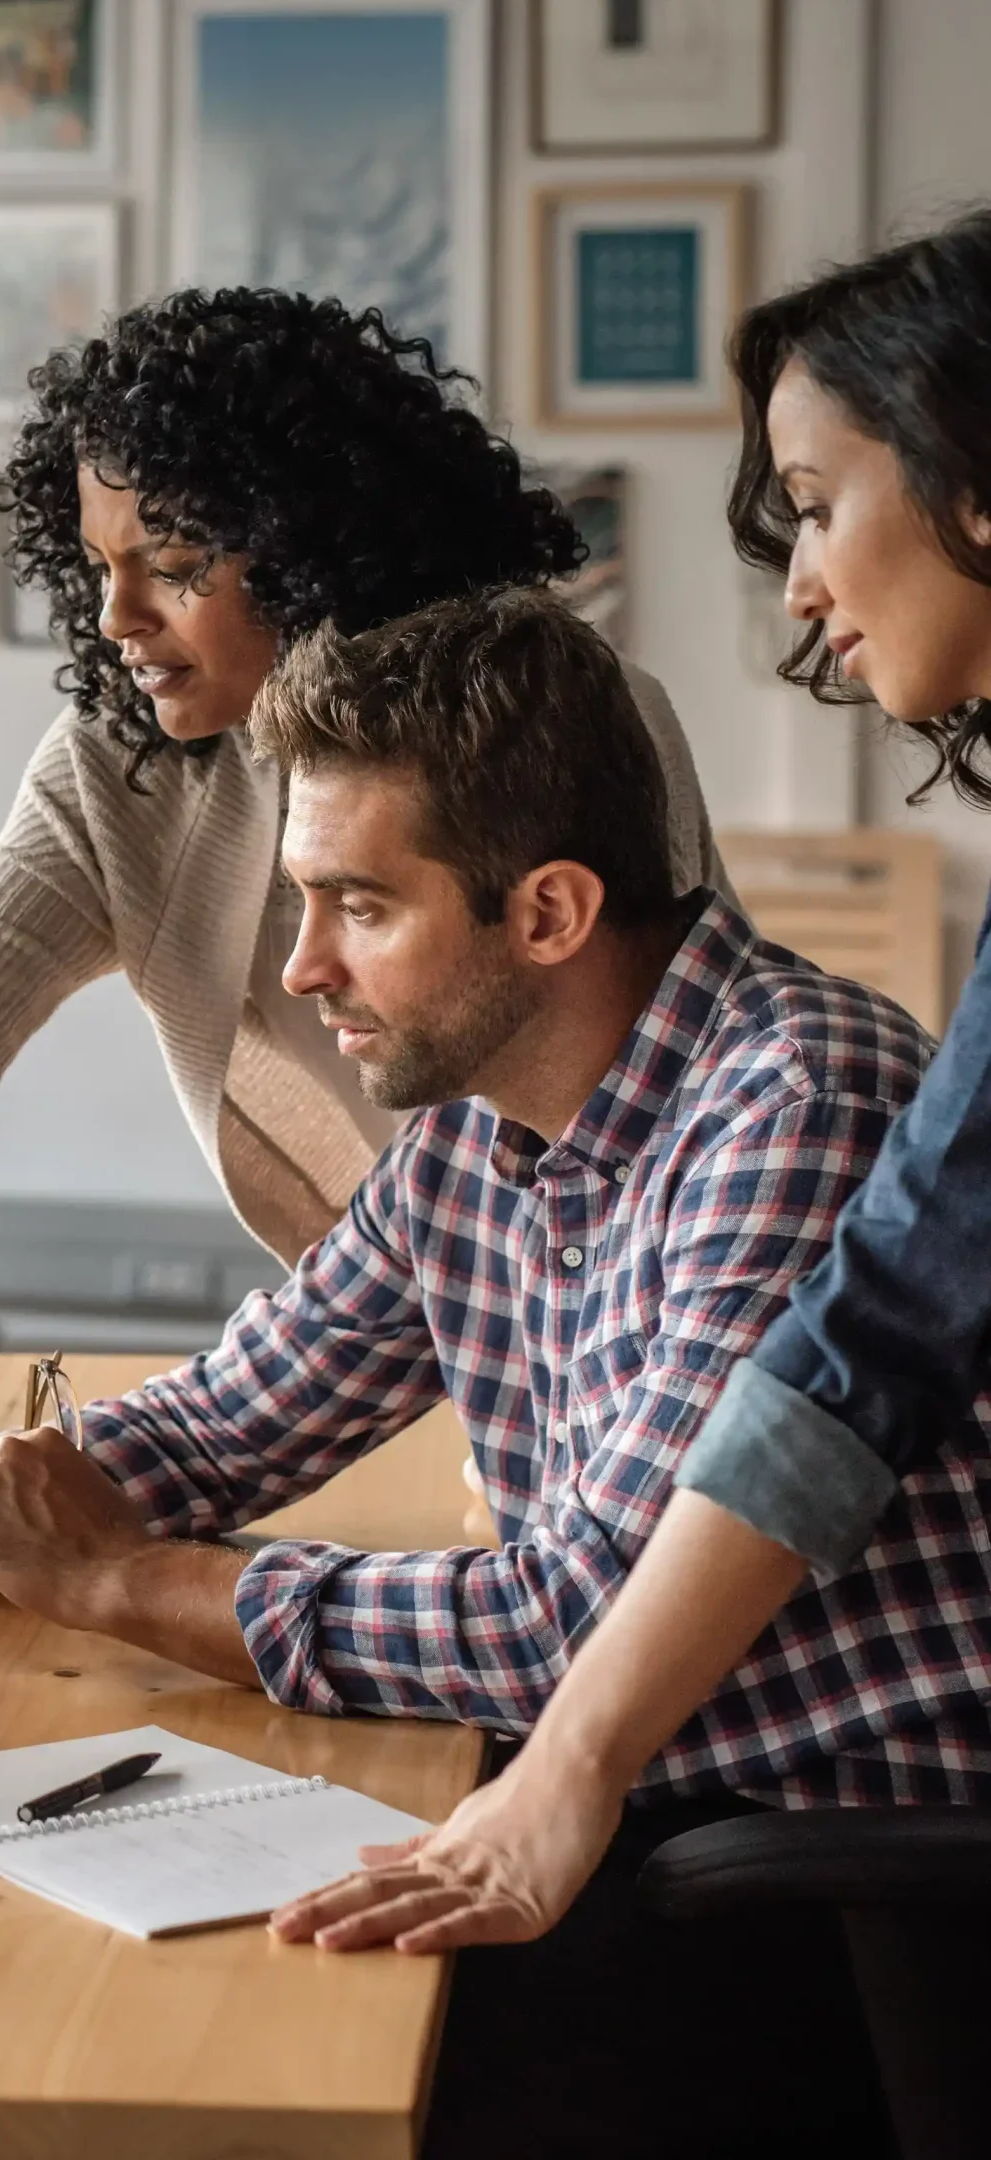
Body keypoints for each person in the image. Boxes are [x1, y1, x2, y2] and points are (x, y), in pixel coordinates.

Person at [0, 589, 989, 2160]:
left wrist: (124, 1590)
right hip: (625, 1816)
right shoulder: (477, 1118)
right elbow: (228, 1419)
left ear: (553, 912)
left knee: (129, 2052)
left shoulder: (792, 1097)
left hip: (815, 1887)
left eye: (358, 907)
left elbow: (563, 1627)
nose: (302, 970)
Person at [0, 287, 724, 1444]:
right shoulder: (127, 764)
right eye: (99, 566)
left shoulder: (551, 724)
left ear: (316, 540)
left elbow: (655, 1091)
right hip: (368, 1337)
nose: (115, 616)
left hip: (617, 1324)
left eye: (173, 562)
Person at [278, 207, 991, 1965]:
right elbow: (868, 1343)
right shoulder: (472, 1126)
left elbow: (870, 1345)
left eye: (822, 502)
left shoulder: (791, 1079)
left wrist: (574, 1759)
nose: (805, 586)